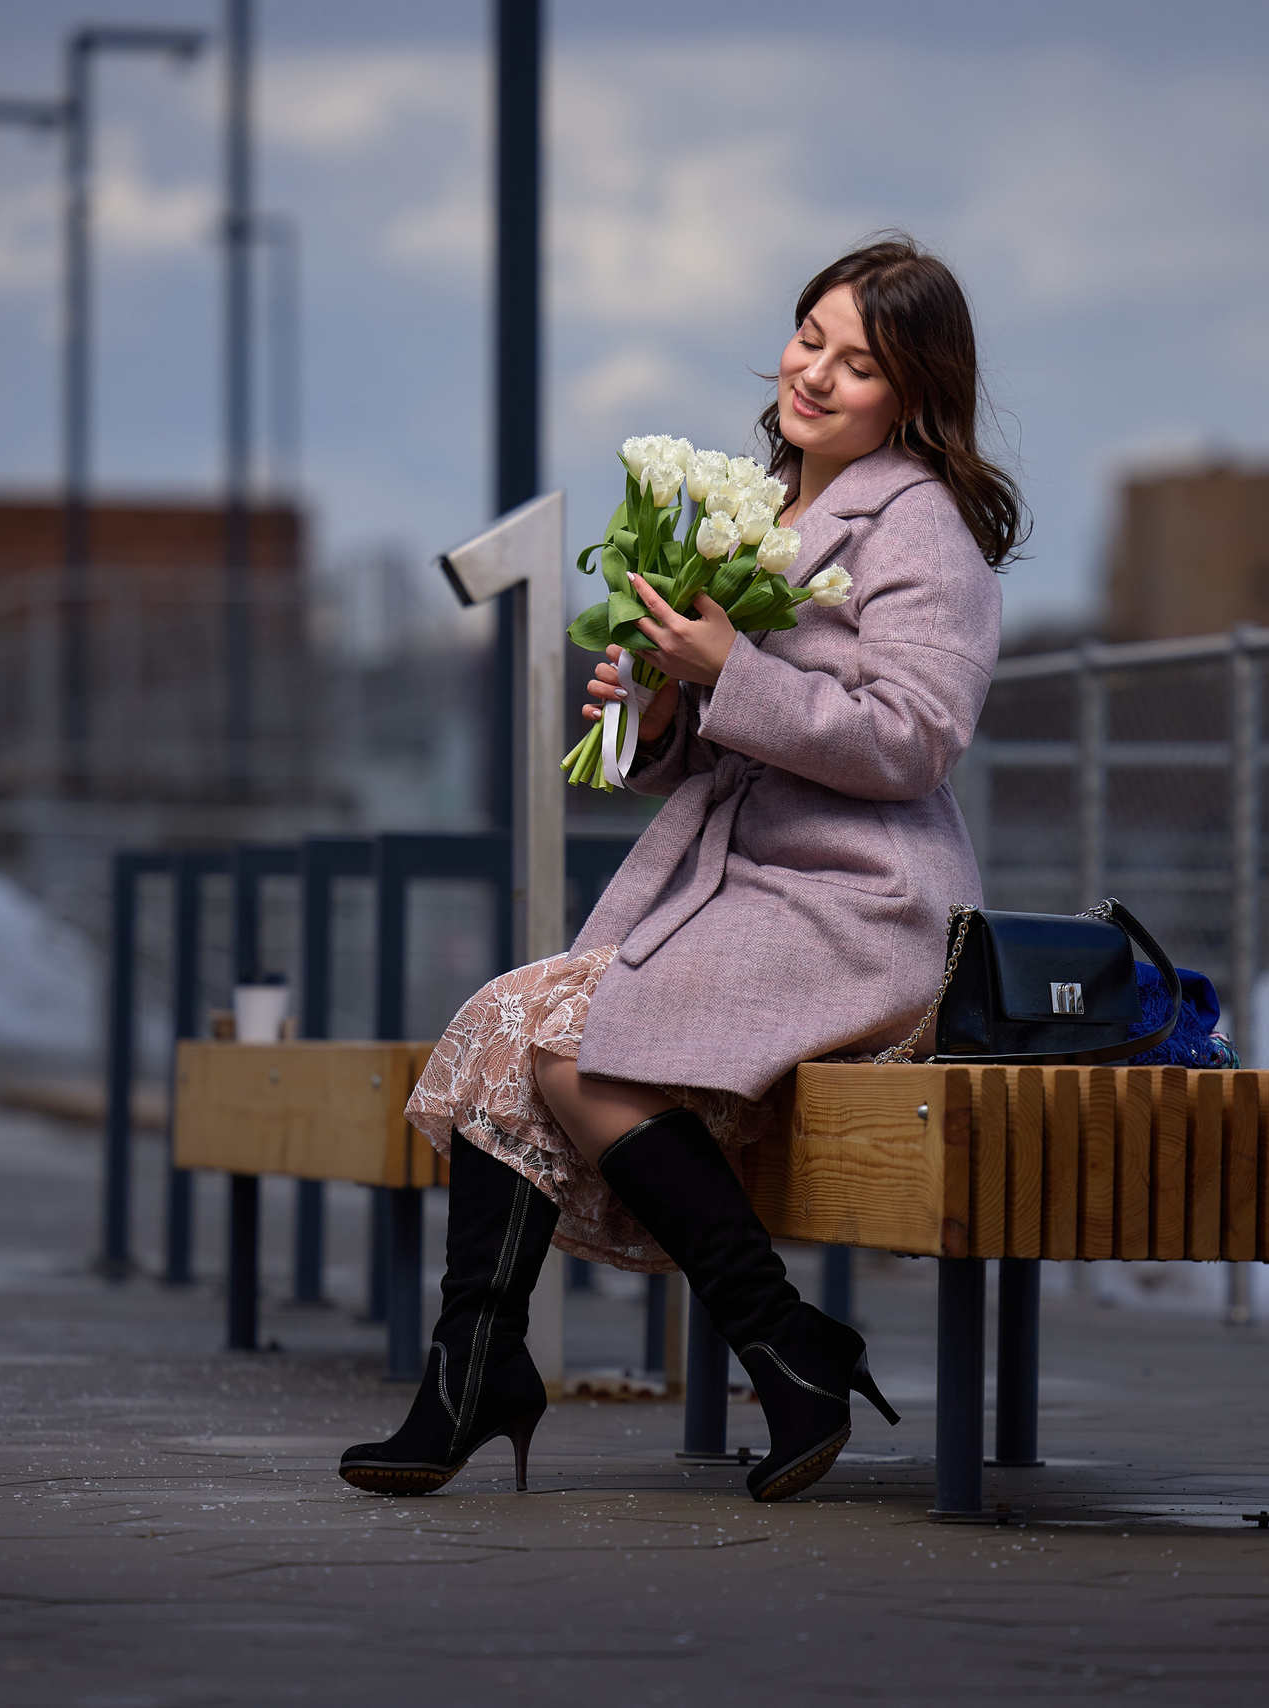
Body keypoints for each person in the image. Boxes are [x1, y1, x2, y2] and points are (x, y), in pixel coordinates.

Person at [341, 235, 1021, 1504]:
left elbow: (915, 743)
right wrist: (655, 709)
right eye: (808, 336)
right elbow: (718, 741)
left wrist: (730, 677)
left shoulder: (921, 531)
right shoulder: (765, 501)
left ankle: (757, 1343)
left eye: (857, 363)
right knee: (510, 1019)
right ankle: (489, 1367)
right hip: (747, 885)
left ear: (915, 395)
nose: (815, 373)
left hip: (857, 901)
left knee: (563, 1043)